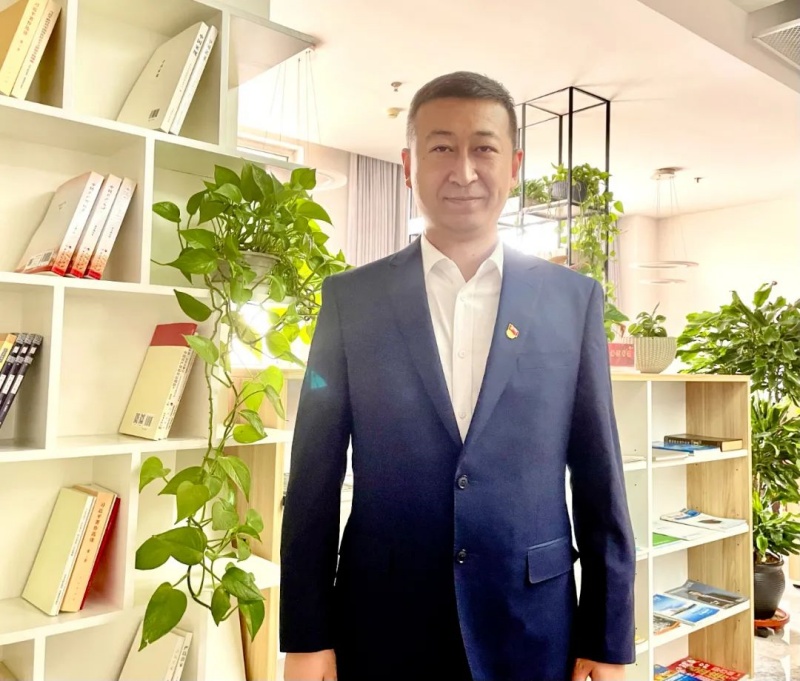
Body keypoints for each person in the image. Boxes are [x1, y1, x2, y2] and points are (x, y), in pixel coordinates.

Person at [279, 71, 636, 681]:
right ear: (408, 165)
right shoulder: (351, 300)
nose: (464, 171)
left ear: (514, 165)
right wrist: (307, 637)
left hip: (532, 621)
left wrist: (607, 640)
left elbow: (600, 478)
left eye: (484, 148)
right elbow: (314, 478)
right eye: (441, 147)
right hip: (383, 621)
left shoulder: (572, 300)